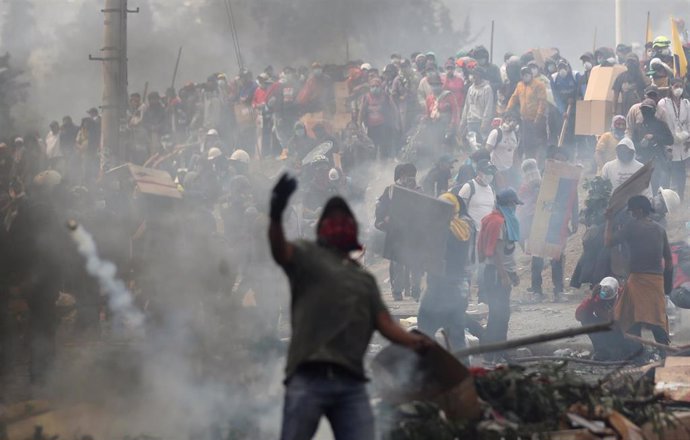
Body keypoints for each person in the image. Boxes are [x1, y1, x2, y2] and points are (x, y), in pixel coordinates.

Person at [268, 175, 431, 440]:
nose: (340, 223)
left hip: (350, 380)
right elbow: (279, 251)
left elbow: (386, 324)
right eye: (335, 219)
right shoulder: (306, 257)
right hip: (309, 374)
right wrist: (275, 215)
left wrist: (415, 342)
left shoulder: (363, 279)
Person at [605, 195, 673, 353]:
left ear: (639, 211)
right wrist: (666, 285)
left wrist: (609, 220)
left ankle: (638, 354)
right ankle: (665, 355)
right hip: (656, 281)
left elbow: (608, 242)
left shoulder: (631, 227)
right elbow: (669, 261)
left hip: (637, 280)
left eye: (632, 211)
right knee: (657, 319)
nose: (631, 214)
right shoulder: (660, 229)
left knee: (631, 318)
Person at [418, 193, 475, 352]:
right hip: (459, 287)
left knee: (425, 330)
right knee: (456, 337)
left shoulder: (444, 229)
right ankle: (463, 373)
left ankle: (425, 370)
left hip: (440, 288)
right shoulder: (466, 225)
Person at [477, 188, 522, 361]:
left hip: (500, 272)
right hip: (496, 274)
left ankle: (498, 353)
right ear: (509, 204)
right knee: (499, 314)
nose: (515, 208)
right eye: (514, 204)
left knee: (500, 314)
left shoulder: (499, 220)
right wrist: (504, 275)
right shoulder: (499, 222)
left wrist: (513, 273)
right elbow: (495, 251)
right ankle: (492, 354)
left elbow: (506, 252)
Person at [375, 163, 422, 301]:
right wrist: (385, 218)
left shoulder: (418, 190)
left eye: (412, 175)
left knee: (416, 262)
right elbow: (382, 208)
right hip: (397, 232)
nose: (409, 178)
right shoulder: (390, 190)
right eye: (406, 175)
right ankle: (397, 292)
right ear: (400, 176)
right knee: (398, 263)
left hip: (414, 232)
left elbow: (425, 208)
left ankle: (416, 290)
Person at [575, 277, 627, 361]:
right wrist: (591, 299)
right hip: (605, 330)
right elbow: (579, 316)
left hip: (621, 331)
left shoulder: (623, 296)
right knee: (586, 318)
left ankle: (620, 349)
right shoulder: (597, 297)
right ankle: (601, 350)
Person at [631, 98, 674, 191]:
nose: (645, 112)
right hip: (642, 161)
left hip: (658, 160)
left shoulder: (661, 124)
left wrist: (654, 137)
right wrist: (641, 145)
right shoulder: (638, 127)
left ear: (653, 111)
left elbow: (670, 140)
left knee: (659, 188)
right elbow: (633, 145)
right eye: (643, 110)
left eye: (648, 110)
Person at [506, 66, 547, 162]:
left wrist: (538, 116)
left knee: (539, 142)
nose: (526, 76)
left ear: (531, 74)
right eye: (524, 74)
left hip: (538, 120)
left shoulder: (539, 85)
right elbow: (514, 97)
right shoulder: (520, 85)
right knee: (527, 143)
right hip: (525, 119)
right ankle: (529, 161)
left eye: (527, 74)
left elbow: (542, 101)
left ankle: (541, 163)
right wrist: (508, 109)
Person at [658, 79, 690, 200]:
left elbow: (689, 122)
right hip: (669, 143)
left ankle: (680, 196)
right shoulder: (663, 103)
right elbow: (660, 123)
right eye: (676, 86)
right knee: (667, 172)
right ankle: (666, 198)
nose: (679, 89)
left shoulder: (686, 103)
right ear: (670, 87)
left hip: (683, 143)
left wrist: (689, 139)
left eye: (681, 86)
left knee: (681, 172)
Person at [358, 76, 399, 160]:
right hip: (371, 127)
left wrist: (395, 122)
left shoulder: (386, 96)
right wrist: (359, 125)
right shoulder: (366, 97)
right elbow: (361, 112)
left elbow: (394, 110)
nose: (375, 88)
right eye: (373, 86)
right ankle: (372, 166)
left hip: (383, 126)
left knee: (384, 147)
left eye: (377, 86)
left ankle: (384, 166)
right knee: (372, 147)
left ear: (380, 87)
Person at [457, 159, 497, 230]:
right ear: (478, 172)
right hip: (471, 233)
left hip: (485, 234)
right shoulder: (469, 187)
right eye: (487, 172)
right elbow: (459, 211)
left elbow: (493, 209)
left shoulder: (492, 190)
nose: (490, 175)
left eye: (492, 173)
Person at [460, 66, 494, 145]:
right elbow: (467, 106)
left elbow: (488, 107)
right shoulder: (471, 88)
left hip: (480, 122)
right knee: (472, 145)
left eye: (475, 75)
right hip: (470, 121)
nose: (473, 77)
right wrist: (463, 121)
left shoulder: (487, 88)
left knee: (481, 144)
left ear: (480, 76)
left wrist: (484, 123)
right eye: (472, 74)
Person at [485, 114, 519, 190]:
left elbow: (515, 155)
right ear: (503, 121)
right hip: (496, 172)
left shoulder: (515, 134)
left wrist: (519, 172)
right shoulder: (496, 133)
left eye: (514, 121)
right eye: (509, 120)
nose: (512, 123)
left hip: (509, 172)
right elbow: (485, 155)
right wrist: (495, 172)